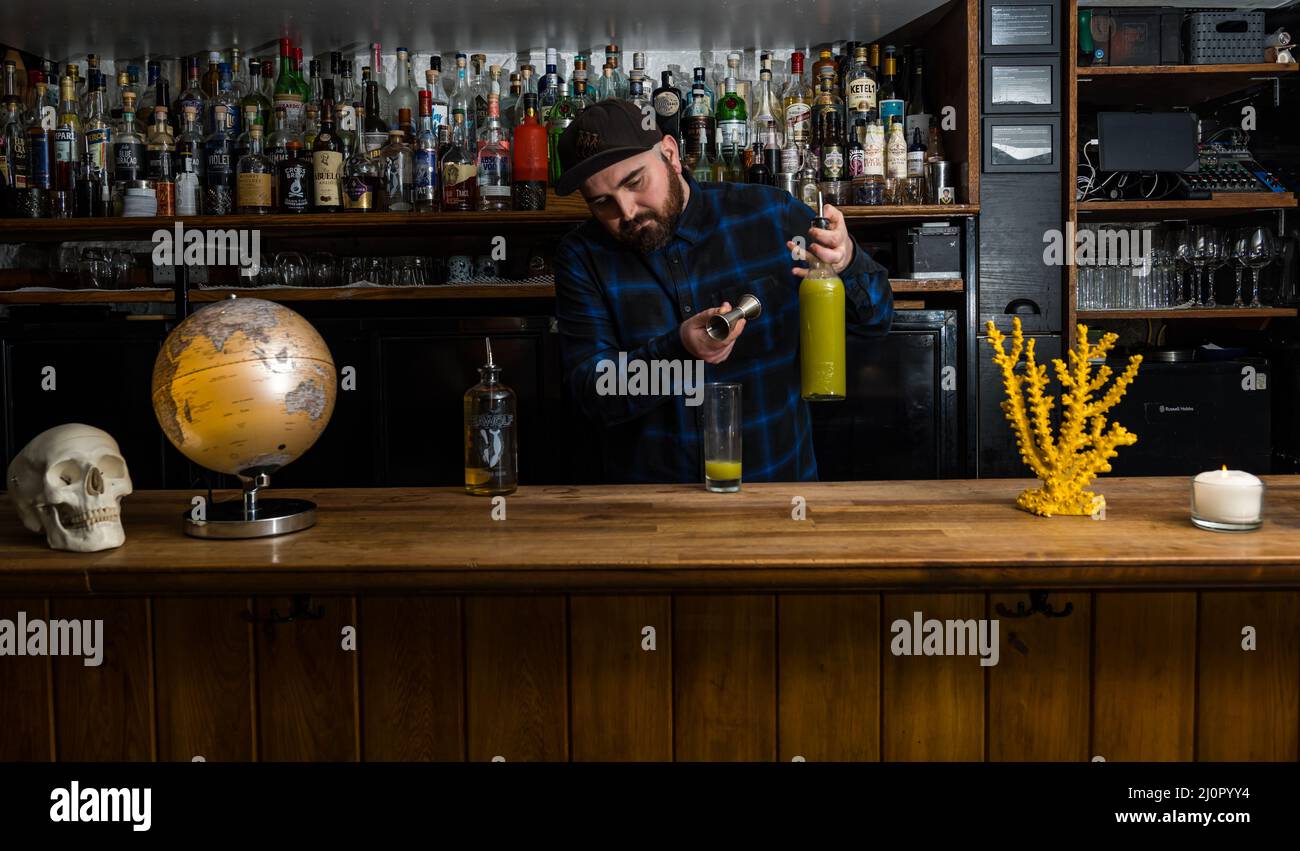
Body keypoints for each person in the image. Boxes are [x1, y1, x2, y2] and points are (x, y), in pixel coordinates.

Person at [552, 99, 893, 483]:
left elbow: (875, 321)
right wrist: (678, 352)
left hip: (777, 498)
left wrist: (847, 263)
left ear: (670, 154)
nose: (627, 212)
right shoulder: (582, 257)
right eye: (602, 203)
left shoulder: (773, 216)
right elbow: (591, 394)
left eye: (634, 182)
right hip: (651, 513)